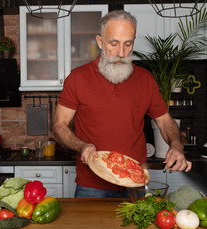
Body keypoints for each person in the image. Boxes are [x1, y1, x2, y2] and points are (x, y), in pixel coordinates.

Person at [52, 10, 192, 198]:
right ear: (100, 42)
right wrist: (82, 146)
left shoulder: (145, 79)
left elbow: (165, 121)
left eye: (128, 44)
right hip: (91, 186)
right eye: (114, 43)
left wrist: (176, 146)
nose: (121, 53)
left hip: (135, 182)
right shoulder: (77, 78)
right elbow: (59, 125)